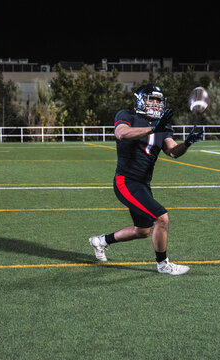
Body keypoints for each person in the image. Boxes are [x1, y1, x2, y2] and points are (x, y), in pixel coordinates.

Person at [89, 84, 203, 275]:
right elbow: (121, 133)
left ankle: (100, 241)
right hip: (125, 181)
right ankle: (163, 264)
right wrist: (152, 129)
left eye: (159, 100)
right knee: (161, 218)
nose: (156, 104)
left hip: (143, 184)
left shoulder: (163, 126)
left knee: (142, 230)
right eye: (152, 99)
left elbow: (173, 151)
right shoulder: (127, 115)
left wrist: (187, 143)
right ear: (141, 100)